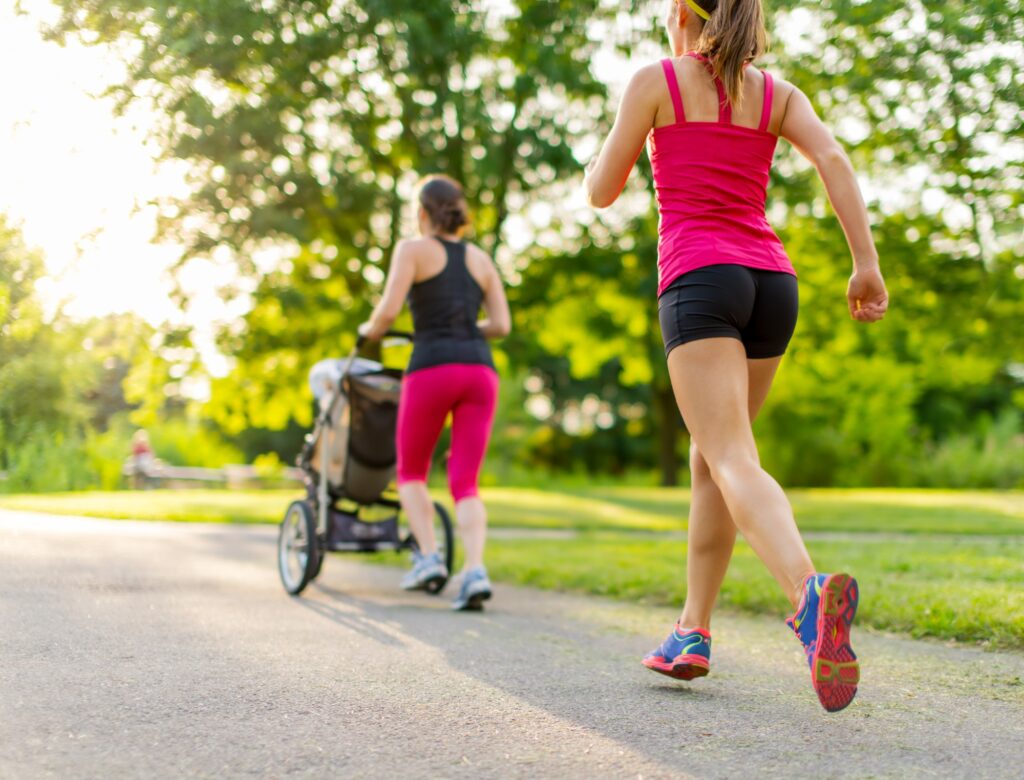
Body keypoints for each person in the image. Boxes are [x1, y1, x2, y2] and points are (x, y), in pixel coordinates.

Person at [584, 0, 888, 712]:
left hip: (701, 277)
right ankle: (691, 631)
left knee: (729, 457)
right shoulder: (776, 93)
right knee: (711, 459)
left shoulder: (656, 81)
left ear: (681, 13)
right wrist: (865, 264)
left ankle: (809, 596)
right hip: (772, 283)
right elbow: (833, 158)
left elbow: (601, 191)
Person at [360, 175, 511, 611]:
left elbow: (387, 313)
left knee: (411, 471)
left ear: (423, 213)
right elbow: (501, 325)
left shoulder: (412, 250)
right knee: (465, 481)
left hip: (431, 368)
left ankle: (428, 558)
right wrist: (466, 328)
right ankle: (475, 570)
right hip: (479, 371)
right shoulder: (481, 259)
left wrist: (368, 332)